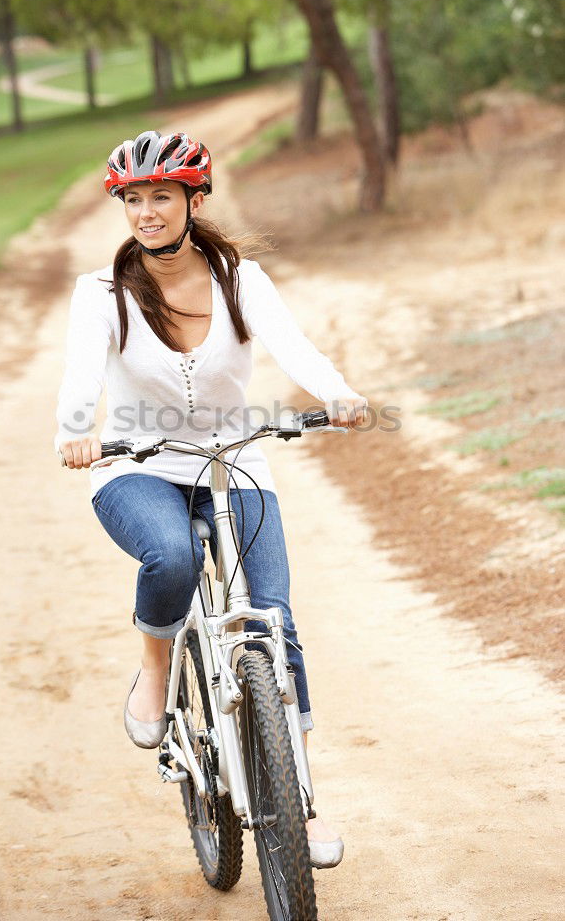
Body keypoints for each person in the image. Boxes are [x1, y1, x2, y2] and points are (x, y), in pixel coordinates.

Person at [55, 129, 368, 869]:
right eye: (133, 199)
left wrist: (338, 393)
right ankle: (158, 669)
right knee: (172, 552)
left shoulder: (240, 280)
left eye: (161, 196)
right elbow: (79, 377)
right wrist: (75, 432)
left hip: (234, 464)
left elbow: (294, 347)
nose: (146, 212)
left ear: (195, 199)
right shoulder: (101, 293)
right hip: (135, 465)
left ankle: (303, 806)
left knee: (275, 620)